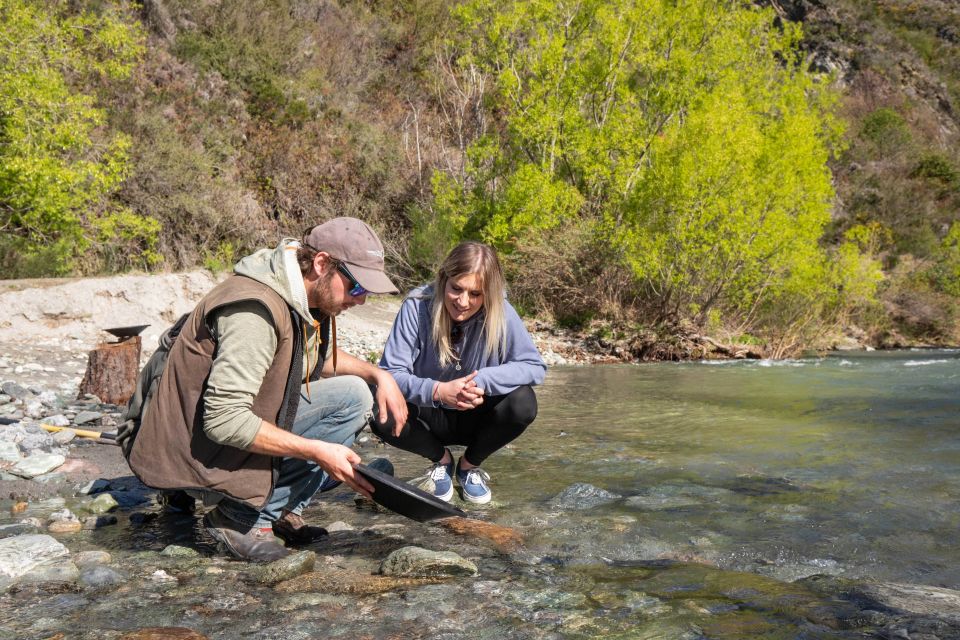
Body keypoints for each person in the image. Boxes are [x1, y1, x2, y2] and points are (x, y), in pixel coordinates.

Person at [121, 217, 408, 562]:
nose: (360, 301)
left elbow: (310, 359)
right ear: (321, 264)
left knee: (354, 394)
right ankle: (238, 517)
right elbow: (224, 420)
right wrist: (316, 451)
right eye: (357, 288)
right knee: (331, 425)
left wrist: (379, 375)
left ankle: (278, 510)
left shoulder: (300, 294)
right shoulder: (255, 311)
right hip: (178, 437)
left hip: (204, 427)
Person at [373, 241, 546, 504]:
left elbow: (534, 367)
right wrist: (438, 391)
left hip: (476, 416)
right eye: (456, 289)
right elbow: (390, 372)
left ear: (489, 293)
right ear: (444, 279)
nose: (463, 302)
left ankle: (469, 466)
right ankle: (440, 460)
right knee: (379, 406)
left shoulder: (503, 312)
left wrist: (482, 382)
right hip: (428, 416)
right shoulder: (416, 307)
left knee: (523, 402)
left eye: (476, 294)